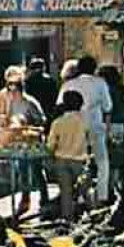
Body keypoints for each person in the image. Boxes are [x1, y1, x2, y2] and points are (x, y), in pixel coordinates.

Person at [57, 55, 112, 204]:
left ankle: (81, 196)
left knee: (77, 161)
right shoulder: (100, 83)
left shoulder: (68, 84)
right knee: (102, 162)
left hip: (73, 128)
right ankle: (102, 196)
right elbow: (107, 108)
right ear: (95, 68)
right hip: (95, 127)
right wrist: (107, 130)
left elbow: (59, 107)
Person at [0, 73, 46, 217]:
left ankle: (44, 197)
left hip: (32, 141)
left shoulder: (30, 102)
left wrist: (28, 123)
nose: (12, 93)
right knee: (22, 171)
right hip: (19, 141)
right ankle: (25, 200)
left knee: (37, 170)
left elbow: (41, 120)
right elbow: (11, 117)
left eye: (14, 90)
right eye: (10, 90)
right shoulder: (11, 102)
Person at [47, 90, 89, 220]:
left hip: (61, 160)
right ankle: (90, 215)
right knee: (85, 190)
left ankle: (67, 220)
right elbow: (91, 139)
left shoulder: (58, 122)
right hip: (80, 159)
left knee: (66, 193)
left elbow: (51, 145)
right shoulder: (85, 121)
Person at [99, 64, 124, 196]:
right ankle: (115, 186)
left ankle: (107, 190)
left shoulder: (104, 90)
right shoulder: (123, 90)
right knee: (117, 160)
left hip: (106, 125)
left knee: (105, 159)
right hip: (121, 126)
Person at [25, 58, 58, 123]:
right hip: (47, 108)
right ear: (43, 67)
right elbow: (54, 95)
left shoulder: (28, 80)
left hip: (32, 109)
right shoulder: (50, 80)